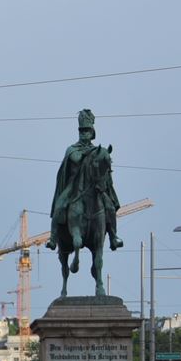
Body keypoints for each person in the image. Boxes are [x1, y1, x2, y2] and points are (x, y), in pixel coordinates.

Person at [47, 108, 122, 253]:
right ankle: (53, 239)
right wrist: (93, 153)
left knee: (110, 207)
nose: (84, 133)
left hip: (94, 187)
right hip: (73, 186)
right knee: (59, 205)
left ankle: (113, 236)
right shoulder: (72, 149)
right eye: (81, 131)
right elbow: (76, 159)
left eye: (87, 131)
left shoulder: (97, 151)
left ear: (92, 133)